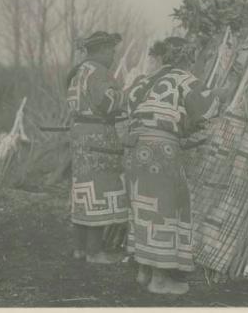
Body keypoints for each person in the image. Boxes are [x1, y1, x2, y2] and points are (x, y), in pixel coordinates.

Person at [124, 36, 227, 294]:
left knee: (143, 206)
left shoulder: (144, 81)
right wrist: (220, 94)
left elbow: (128, 106)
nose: (193, 62)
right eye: (192, 58)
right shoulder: (185, 79)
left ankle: (143, 271)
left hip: (136, 150)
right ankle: (160, 280)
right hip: (162, 150)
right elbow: (207, 109)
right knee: (166, 207)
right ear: (185, 57)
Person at [66, 31, 128, 264]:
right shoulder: (98, 73)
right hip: (98, 138)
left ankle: (79, 249)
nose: (113, 56)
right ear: (101, 51)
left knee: (83, 191)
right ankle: (95, 253)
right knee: (99, 190)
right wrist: (129, 94)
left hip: (81, 136)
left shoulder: (78, 72)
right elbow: (107, 102)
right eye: (111, 51)